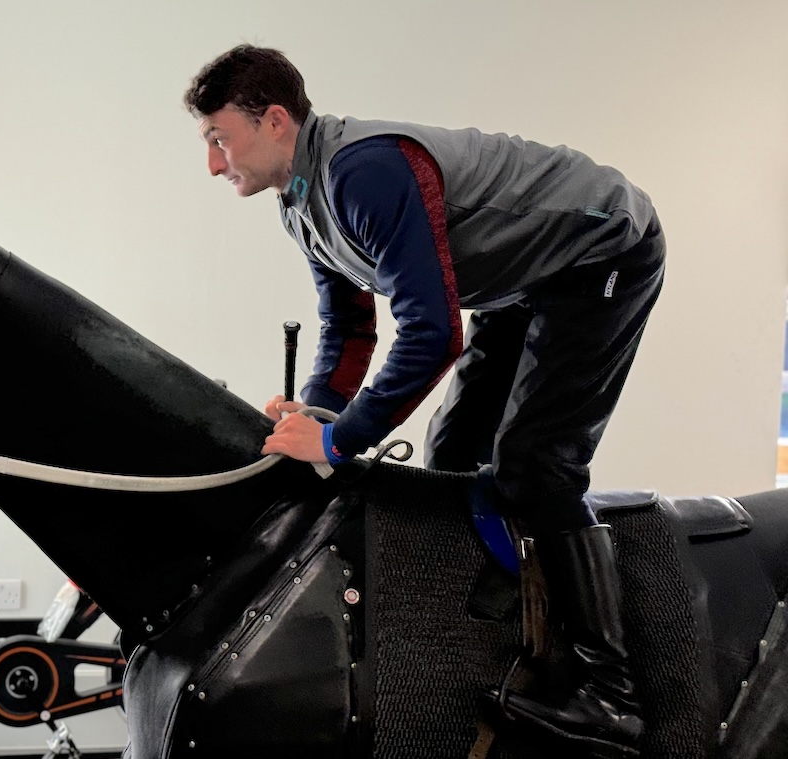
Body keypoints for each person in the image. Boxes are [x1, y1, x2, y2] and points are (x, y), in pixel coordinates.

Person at [184, 43, 665, 758]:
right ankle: (495, 645)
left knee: (535, 467)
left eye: (219, 139)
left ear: (275, 120)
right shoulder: (300, 203)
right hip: (517, 278)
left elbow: (432, 333)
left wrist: (341, 439)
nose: (215, 164)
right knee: (449, 459)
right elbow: (350, 325)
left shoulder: (364, 173)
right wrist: (316, 413)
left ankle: (613, 697)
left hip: (600, 251)